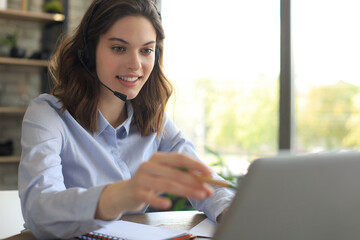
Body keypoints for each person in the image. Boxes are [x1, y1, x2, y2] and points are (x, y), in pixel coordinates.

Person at [18, 0, 234, 239]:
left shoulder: (153, 120)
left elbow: (203, 182)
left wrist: (231, 212)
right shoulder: (48, 115)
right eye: (119, 48)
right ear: (89, 53)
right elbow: (39, 209)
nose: (135, 64)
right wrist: (121, 194)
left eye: (146, 50)